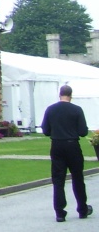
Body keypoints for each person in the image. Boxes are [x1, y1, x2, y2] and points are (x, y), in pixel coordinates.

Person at [41, 84, 91, 222]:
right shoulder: (76, 110)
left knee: (58, 179)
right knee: (77, 178)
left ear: (60, 94)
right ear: (71, 95)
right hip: (72, 145)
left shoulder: (50, 109)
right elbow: (83, 132)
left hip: (57, 145)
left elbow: (45, 130)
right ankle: (82, 209)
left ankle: (60, 212)